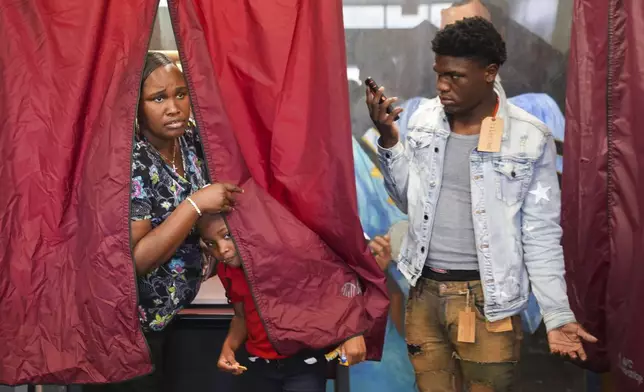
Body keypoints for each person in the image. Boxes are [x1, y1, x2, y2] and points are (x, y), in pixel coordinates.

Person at [366, 18, 597, 391]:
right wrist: (390, 140)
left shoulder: (528, 136)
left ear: (490, 72)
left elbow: (540, 234)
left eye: (455, 76)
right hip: (424, 293)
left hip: (489, 301)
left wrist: (556, 313)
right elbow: (406, 200)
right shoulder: (423, 119)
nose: (442, 85)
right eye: (439, 73)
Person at [85, 52, 242, 392]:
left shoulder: (192, 142)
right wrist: (195, 206)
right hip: (126, 332)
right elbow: (136, 262)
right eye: (158, 98)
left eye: (181, 94)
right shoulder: (128, 161)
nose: (174, 108)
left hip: (170, 318)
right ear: (135, 106)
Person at [199, 213, 390, 392]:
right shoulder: (227, 271)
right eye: (211, 243)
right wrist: (229, 347)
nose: (222, 250)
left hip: (304, 363)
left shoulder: (285, 258)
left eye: (227, 236)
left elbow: (333, 292)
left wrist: (351, 330)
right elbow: (241, 317)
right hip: (257, 364)